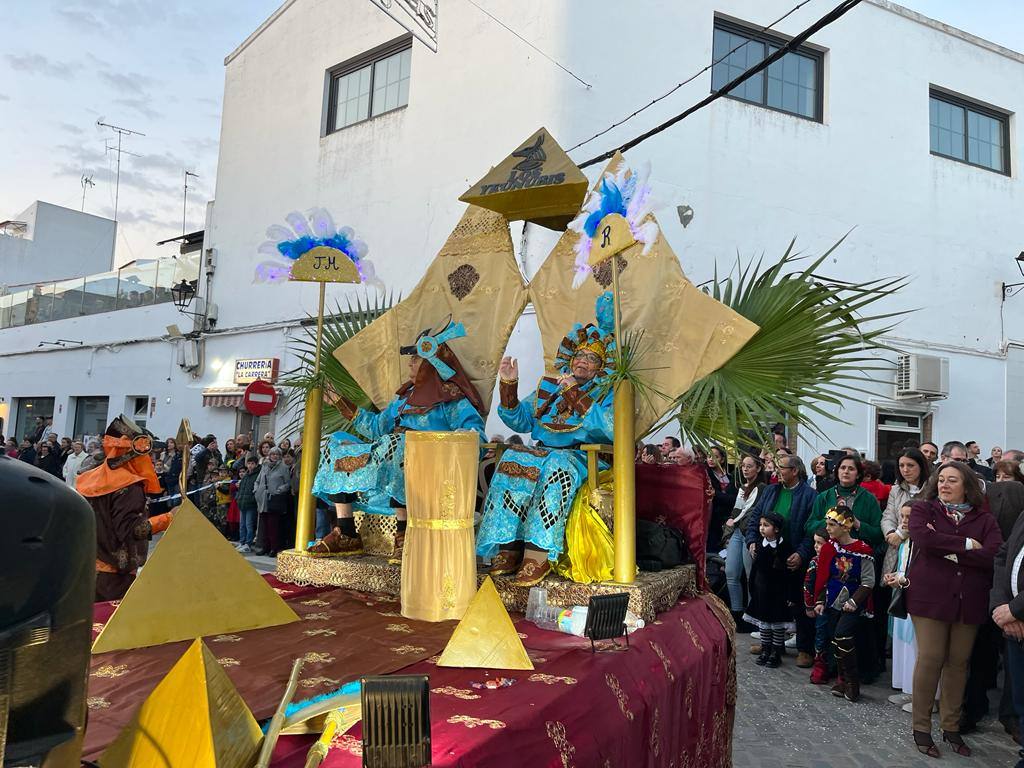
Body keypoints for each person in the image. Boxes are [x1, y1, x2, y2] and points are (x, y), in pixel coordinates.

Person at [311, 319, 486, 561]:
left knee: (401, 443)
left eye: (416, 358)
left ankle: (404, 532)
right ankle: (346, 529)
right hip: (391, 458)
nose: (410, 363)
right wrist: (339, 402)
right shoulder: (404, 398)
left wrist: (454, 439)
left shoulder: (451, 398)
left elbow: (475, 434)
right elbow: (376, 427)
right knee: (338, 441)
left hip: (429, 468)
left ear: (432, 363)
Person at [478, 293, 615, 587]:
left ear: (601, 366)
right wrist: (509, 384)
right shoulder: (550, 387)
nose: (583, 361)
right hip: (543, 451)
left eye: (592, 359)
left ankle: (537, 553)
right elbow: (520, 421)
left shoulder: (607, 391)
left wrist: (574, 394)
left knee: (557, 466)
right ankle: (508, 547)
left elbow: (609, 428)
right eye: (579, 356)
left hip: (582, 456)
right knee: (513, 457)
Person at [906, 461, 1002, 758]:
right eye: (941, 479)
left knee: (959, 663)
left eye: (952, 480)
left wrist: (952, 553)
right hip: (929, 598)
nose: (944, 485)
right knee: (931, 658)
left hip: (968, 599)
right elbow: (923, 539)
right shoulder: (924, 510)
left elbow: (993, 554)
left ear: (967, 486)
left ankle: (950, 727)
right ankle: (921, 728)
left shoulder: (985, 519)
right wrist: (968, 544)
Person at [75, 416, 174, 601]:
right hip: (113, 576)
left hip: (85, 568)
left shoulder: (92, 477)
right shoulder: (128, 485)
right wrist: (168, 519)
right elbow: (131, 530)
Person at [745, 455, 817, 667]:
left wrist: (802, 553)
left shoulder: (810, 495)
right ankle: (771, 645)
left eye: (781, 467)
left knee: (798, 602)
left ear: (795, 470)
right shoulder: (770, 490)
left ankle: (804, 648)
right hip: (768, 558)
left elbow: (810, 529)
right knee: (768, 600)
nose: (777, 471)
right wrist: (752, 540)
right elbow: (755, 518)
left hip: (793, 556)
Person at [814, 506, 876, 703]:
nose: (828, 528)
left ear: (846, 526)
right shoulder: (829, 548)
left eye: (832, 525)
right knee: (835, 639)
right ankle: (842, 680)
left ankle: (853, 683)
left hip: (853, 602)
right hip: (833, 600)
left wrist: (854, 601)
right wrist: (820, 600)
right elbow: (823, 575)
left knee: (843, 636)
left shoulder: (862, 551)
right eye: (827, 524)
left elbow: (868, 581)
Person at [990, 498, 1024, 766]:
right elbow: (1003, 556)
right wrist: (1002, 606)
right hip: (1014, 626)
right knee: (1020, 699)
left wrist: (1015, 609)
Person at [743, 511, 794, 669]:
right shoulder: (760, 544)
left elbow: (789, 574)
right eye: (760, 525)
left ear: (776, 529)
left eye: (766, 525)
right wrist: (753, 587)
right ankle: (765, 649)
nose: (761, 528)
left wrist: (790, 594)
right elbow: (755, 569)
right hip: (762, 591)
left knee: (776, 624)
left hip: (778, 593)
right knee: (764, 623)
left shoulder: (784, 546)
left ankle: (776, 652)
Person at [723, 454, 765, 630]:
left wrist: (734, 520)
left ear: (758, 468)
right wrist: (730, 522)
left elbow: (751, 512)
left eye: (749, 466)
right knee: (731, 572)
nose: (745, 469)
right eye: (743, 466)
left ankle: (752, 615)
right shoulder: (742, 487)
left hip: (750, 533)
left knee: (750, 575)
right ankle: (736, 612)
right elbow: (737, 509)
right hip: (737, 531)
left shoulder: (762, 488)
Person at [883, 503, 919, 701]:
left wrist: (902, 579)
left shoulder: (921, 543)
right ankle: (906, 688)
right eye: (902, 516)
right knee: (902, 643)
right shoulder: (905, 542)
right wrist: (894, 575)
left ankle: (917, 694)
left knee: (914, 646)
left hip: (915, 597)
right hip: (901, 594)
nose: (904, 521)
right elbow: (904, 567)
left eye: (909, 517)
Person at [804, 527, 832, 684]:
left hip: (833, 604)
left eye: (820, 543)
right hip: (819, 606)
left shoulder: (835, 560)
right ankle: (820, 666)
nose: (816, 546)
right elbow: (808, 585)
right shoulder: (814, 562)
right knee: (821, 635)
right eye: (815, 542)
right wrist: (809, 605)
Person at [255, 447, 291, 556]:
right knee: (264, 526)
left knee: (273, 526)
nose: (274, 456)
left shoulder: (283, 467)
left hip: (274, 499)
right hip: (262, 499)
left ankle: (274, 548)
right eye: (273, 454)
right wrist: (256, 490)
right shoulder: (264, 466)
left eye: (277, 454)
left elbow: (287, 483)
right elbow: (257, 481)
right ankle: (265, 547)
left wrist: (279, 490)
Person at [707, 445, 737, 554]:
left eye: (715, 457)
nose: (711, 459)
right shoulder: (706, 475)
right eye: (709, 456)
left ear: (722, 459)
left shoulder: (732, 476)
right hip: (713, 518)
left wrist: (717, 494)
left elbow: (734, 499)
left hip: (728, 518)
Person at [235, 456, 259, 552]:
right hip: (242, 503)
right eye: (249, 463)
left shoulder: (257, 475)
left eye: (252, 464)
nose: (250, 466)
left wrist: (253, 500)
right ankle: (242, 542)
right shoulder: (245, 476)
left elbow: (256, 490)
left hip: (251, 504)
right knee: (242, 525)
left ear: (256, 464)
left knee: (249, 525)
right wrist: (238, 499)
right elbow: (241, 489)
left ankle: (248, 544)